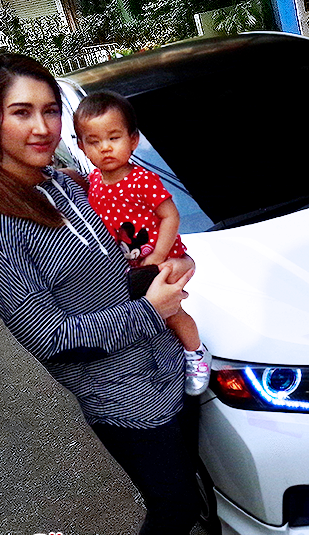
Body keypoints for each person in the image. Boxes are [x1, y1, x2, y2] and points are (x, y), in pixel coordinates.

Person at [0, 53, 225, 535]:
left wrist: (169, 260)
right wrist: (150, 310)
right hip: (120, 396)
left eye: (50, 110)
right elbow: (47, 336)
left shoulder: (65, 183)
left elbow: (128, 237)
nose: (43, 127)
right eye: (22, 112)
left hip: (167, 363)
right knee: (173, 501)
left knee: (188, 484)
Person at [72, 91, 209, 396]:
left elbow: (170, 216)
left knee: (172, 313)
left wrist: (159, 256)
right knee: (151, 317)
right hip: (130, 267)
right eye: (94, 141)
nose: (105, 147)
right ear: (81, 146)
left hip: (162, 260)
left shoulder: (142, 180)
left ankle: (197, 353)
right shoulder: (93, 183)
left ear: (133, 140)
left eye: (114, 137)